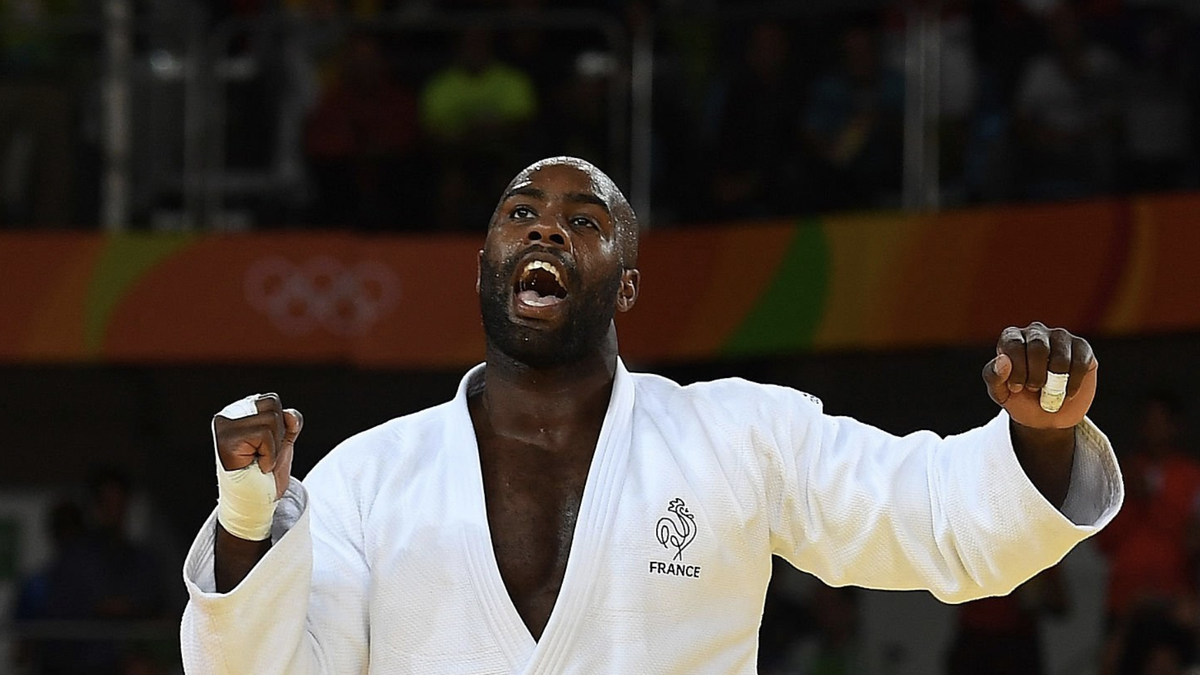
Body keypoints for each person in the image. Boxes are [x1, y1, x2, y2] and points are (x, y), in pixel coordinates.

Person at [181, 156, 1123, 674]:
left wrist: (1039, 437)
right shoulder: (367, 477)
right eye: (521, 213)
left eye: (584, 221)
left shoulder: (738, 436)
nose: (548, 227)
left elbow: (932, 517)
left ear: (625, 286)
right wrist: (249, 520)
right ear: (483, 264)